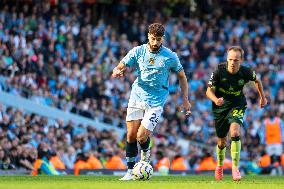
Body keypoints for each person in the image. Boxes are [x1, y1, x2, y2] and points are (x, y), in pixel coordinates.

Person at [112, 23, 191, 180]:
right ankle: (129, 171)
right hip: (137, 95)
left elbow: (182, 76)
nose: (155, 43)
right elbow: (121, 64)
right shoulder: (138, 51)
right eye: (153, 39)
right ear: (148, 36)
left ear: (163, 39)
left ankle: (145, 157)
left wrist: (185, 99)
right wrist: (117, 70)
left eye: (159, 39)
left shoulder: (170, 56)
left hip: (156, 101)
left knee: (142, 136)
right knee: (131, 135)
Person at [206, 46, 267, 181]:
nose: (232, 63)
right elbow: (208, 91)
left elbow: (257, 81)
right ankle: (220, 166)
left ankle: (235, 168)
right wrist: (216, 100)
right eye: (230, 60)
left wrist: (262, 97)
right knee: (221, 142)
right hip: (220, 106)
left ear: (241, 60)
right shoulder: (219, 71)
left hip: (237, 104)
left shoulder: (246, 72)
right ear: (227, 59)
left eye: (236, 60)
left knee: (234, 132)